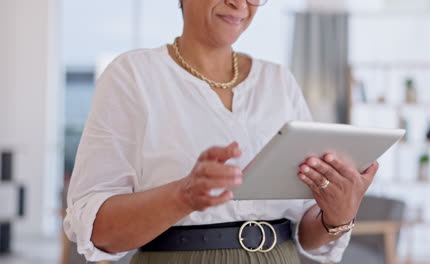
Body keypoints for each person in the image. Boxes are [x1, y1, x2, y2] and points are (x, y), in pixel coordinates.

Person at [64, 0, 379, 263]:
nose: (240, 4)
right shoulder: (133, 76)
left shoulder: (279, 82)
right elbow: (98, 231)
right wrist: (182, 196)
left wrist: (337, 215)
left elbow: (305, 234)